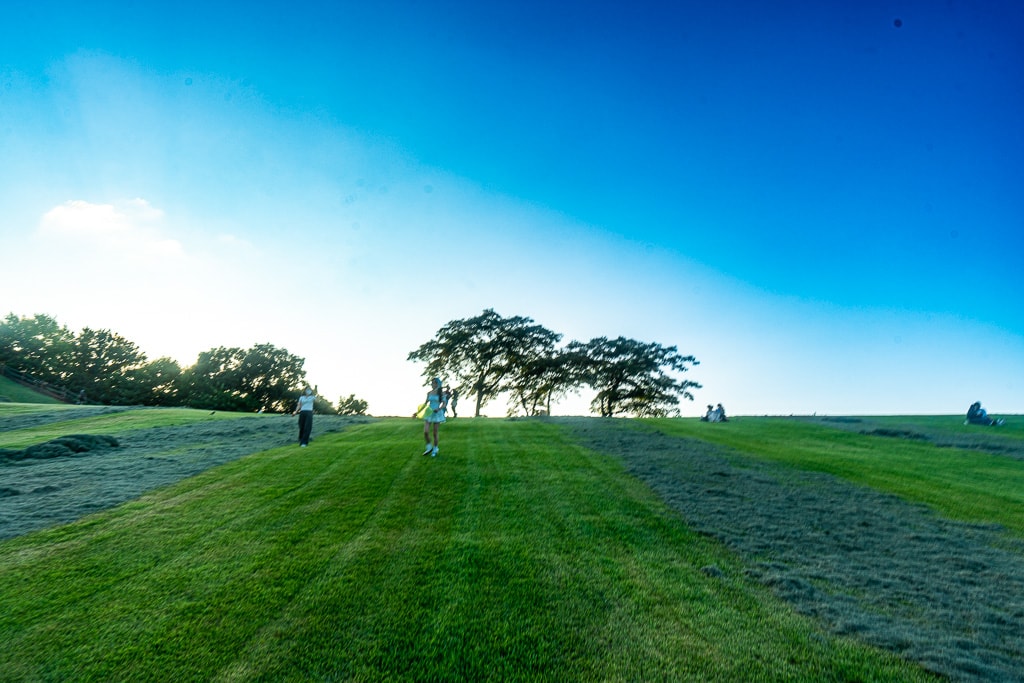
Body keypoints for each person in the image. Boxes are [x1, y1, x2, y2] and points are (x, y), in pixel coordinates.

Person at [422, 377, 447, 457]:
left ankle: (435, 449)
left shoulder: (441, 393)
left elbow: (444, 404)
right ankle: (429, 447)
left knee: (435, 433)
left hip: (437, 413)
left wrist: (439, 409)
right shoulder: (429, 393)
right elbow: (425, 403)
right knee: (425, 432)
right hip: (429, 412)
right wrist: (418, 412)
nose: (433, 384)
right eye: (432, 383)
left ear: (438, 384)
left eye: (434, 383)